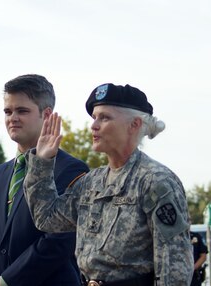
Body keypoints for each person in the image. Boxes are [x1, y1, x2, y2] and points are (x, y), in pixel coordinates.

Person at [23, 83, 194, 285]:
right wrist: (42, 163)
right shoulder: (91, 183)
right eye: (94, 117)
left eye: (104, 117)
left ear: (135, 124)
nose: (93, 126)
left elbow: (175, 269)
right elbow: (47, 219)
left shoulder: (156, 181)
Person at [0, 74, 89, 286]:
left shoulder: (72, 170)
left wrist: (5, 282)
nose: (12, 118)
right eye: (7, 111)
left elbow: (58, 241)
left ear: (47, 114)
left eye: (22, 111)